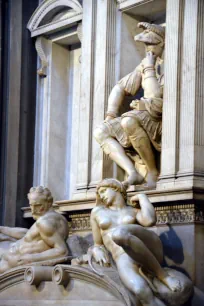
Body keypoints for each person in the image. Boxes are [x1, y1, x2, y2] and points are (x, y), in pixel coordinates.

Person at [94, 22, 164, 188]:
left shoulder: (168, 65)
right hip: (143, 113)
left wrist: (148, 69)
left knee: (128, 121)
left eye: (152, 44)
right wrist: (110, 113)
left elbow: (155, 96)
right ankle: (132, 172)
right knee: (100, 131)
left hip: (162, 118)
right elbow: (120, 87)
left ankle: (153, 172)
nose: (148, 48)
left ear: (163, 43)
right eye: (146, 44)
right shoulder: (146, 63)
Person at [91, 178, 181, 306]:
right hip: (122, 257)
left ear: (116, 188)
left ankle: (163, 276)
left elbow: (150, 221)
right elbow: (97, 243)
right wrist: (96, 250)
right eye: (100, 194)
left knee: (119, 234)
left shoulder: (133, 211)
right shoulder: (97, 212)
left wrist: (142, 197)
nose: (102, 196)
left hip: (147, 249)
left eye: (104, 191)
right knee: (140, 290)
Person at [0, 186, 69, 274]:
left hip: (13, 261)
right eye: (31, 205)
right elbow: (27, 234)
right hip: (11, 254)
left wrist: (32, 258)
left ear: (49, 203)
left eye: (38, 205)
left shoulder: (44, 223)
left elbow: (62, 251)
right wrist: (2, 229)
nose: (33, 210)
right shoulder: (53, 218)